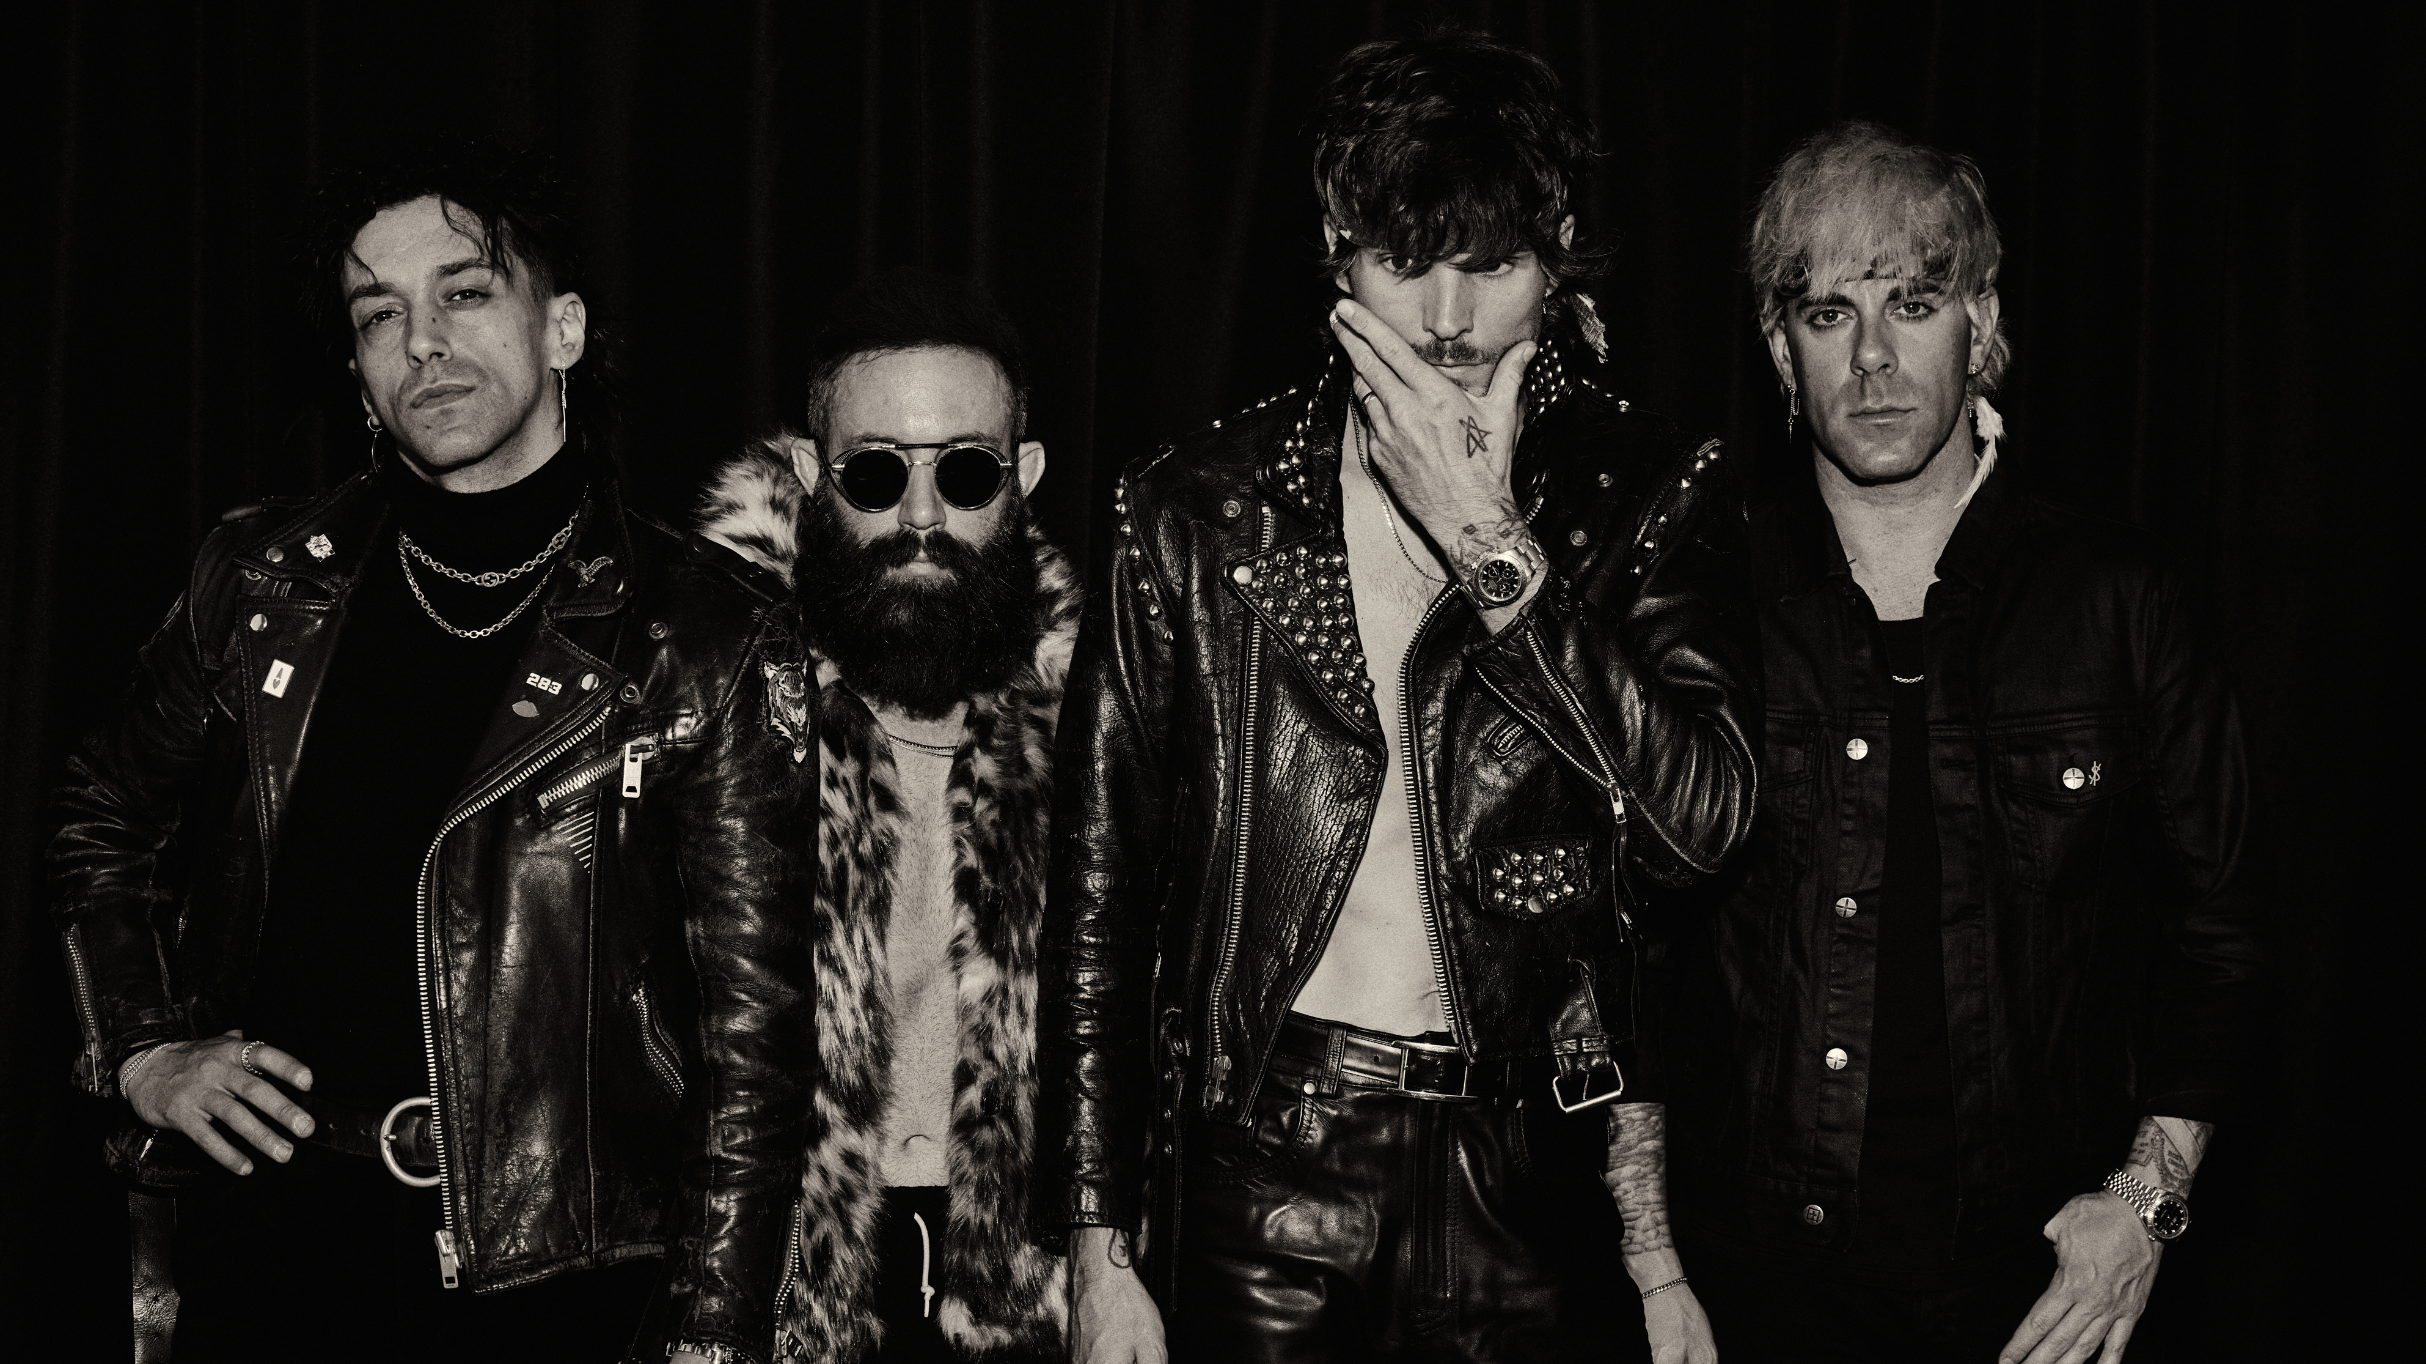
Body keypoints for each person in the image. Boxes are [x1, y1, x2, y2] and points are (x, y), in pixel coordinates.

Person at [1042, 31, 1756, 1364]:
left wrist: (1491, 542)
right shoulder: (1203, 509)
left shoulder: (1641, 490)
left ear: (1556, 249)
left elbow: (1698, 833)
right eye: (1403, 262)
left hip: (1527, 1175)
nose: (1443, 319)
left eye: (1489, 265)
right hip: (1267, 1165)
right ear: (1335, 245)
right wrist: (1096, 1239)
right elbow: (1099, 895)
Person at [47, 143, 814, 1363]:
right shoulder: (259, 581)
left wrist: (715, 1335)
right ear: (357, 373)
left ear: (561, 329)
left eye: (464, 292)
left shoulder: (700, 631)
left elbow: (754, 1045)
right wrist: (138, 1044)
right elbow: (101, 815)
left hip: (560, 1282)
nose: (422, 341)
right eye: (378, 314)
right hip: (270, 1254)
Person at [1668, 121, 2266, 1364]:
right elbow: (1619, 949)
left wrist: (2143, 1201)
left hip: (2040, 1288)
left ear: (1978, 324)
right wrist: (1649, 1259)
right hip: (1754, 1291)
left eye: (1913, 303)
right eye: (1827, 314)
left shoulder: (2114, 596)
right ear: (1779, 349)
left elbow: (2220, 929)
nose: (1872, 358)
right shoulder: (1704, 598)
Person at [694, 270, 1075, 1363]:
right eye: (873, 472)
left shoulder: (1095, 720)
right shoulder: (718, 707)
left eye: (965, 471)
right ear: (811, 474)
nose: (920, 515)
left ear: (1022, 477)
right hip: (775, 1281)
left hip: (1021, 1287)